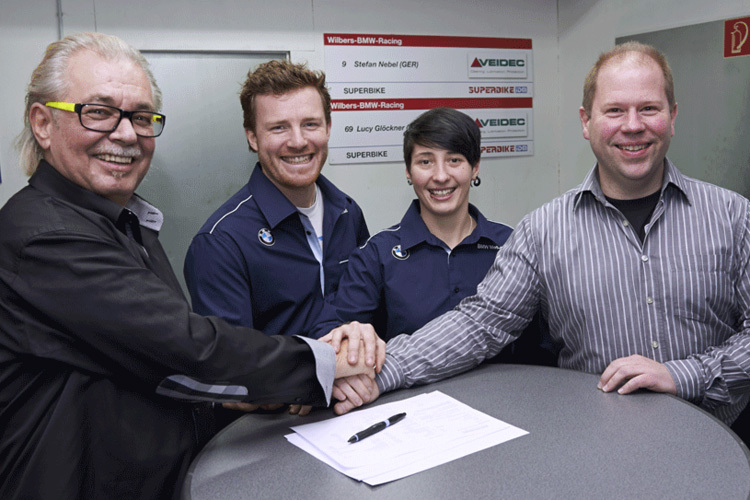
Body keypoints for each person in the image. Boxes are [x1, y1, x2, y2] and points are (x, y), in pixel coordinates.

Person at [0, 32, 382, 500]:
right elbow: (190, 351)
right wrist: (331, 366)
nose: (125, 133)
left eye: (140, 117)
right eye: (98, 112)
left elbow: (164, 363)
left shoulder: (126, 222)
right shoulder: (47, 237)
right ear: (43, 124)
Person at [331, 41, 750, 444]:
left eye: (649, 109)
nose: (633, 125)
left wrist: (685, 375)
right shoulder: (543, 231)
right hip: (595, 446)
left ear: (672, 116)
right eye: (615, 110)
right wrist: (380, 374)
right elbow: (481, 323)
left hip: (721, 442)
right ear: (586, 121)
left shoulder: (732, 216)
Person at [184, 59, 369, 339]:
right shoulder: (220, 243)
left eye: (310, 124)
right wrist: (328, 366)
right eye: (279, 128)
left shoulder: (347, 213)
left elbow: (366, 308)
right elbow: (233, 362)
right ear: (253, 138)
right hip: (286, 383)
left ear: (328, 128)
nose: (297, 141)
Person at [311, 107, 513, 341]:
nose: (440, 176)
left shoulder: (510, 246)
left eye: (454, 160)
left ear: (474, 167)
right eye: (425, 161)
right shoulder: (376, 256)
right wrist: (348, 338)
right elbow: (329, 334)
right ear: (408, 171)